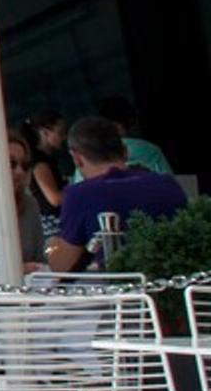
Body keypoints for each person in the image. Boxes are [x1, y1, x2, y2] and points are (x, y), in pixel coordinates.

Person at [45, 112, 188, 272]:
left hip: (118, 291)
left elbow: (62, 266)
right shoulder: (167, 184)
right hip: (174, 289)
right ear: (125, 151)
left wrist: (51, 246)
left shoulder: (80, 195)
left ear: (76, 158)